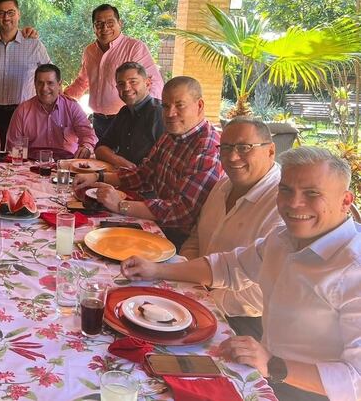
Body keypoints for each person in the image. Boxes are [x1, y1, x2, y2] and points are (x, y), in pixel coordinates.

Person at [121, 147, 361, 401]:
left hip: (306, 392)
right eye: (286, 190)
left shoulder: (354, 270)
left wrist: (273, 365)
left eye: (312, 193)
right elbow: (228, 266)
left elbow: (356, 379)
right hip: (263, 371)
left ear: (345, 201)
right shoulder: (283, 238)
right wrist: (157, 269)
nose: (293, 203)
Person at [74, 76, 222, 244]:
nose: (170, 113)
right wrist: (97, 177)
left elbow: (182, 212)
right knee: (82, 231)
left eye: (179, 105)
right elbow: (143, 175)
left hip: (181, 240)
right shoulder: (170, 135)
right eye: (166, 106)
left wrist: (121, 205)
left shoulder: (207, 148)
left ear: (200, 105)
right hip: (157, 224)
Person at [180, 116, 282, 338]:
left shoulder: (284, 203)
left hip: (243, 323)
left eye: (244, 148)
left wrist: (204, 298)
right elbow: (196, 237)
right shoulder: (223, 185)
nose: (232, 157)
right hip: (195, 296)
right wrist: (184, 274)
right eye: (225, 148)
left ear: (271, 151)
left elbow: (264, 294)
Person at [64, 4, 163, 141]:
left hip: (126, 120)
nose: (105, 28)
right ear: (94, 27)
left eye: (110, 23)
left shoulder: (134, 47)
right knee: (100, 159)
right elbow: (82, 82)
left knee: (123, 160)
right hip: (98, 120)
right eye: (99, 24)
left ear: (119, 23)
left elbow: (154, 82)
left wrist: (147, 114)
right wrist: (61, 98)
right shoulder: (90, 51)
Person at [0, 0, 50, 146]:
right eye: (1, 13)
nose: (6, 17)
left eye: (11, 12)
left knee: (21, 158)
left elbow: (50, 76)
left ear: (19, 14)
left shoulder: (34, 45)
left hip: (25, 112)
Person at [6, 64, 97, 158]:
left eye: (50, 83)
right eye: (40, 83)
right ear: (35, 84)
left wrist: (86, 147)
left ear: (59, 84)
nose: (44, 88)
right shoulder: (22, 110)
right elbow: (13, 146)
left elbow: (88, 134)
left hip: (65, 166)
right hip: (31, 165)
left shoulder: (72, 107)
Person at [94, 61, 164, 168]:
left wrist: (132, 171)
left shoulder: (159, 113)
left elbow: (164, 160)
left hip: (145, 181)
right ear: (117, 88)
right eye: (121, 84)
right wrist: (122, 163)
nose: (126, 88)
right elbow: (100, 148)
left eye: (133, 82)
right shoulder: (124, 112)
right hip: (122, 177)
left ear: (148, 83)